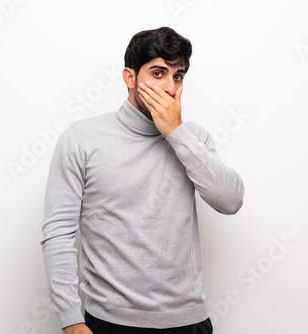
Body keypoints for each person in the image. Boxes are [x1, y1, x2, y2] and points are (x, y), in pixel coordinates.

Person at [40, 26, 244, 334]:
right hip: (110, 323)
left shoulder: (193, 138)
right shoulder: (81, 138)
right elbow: (58, 233)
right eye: (159, 73)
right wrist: (71, 320)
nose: (171, 87)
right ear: (130, 77)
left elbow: (230, 201)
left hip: (188, 322)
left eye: (178, 76)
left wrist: (175, 132)